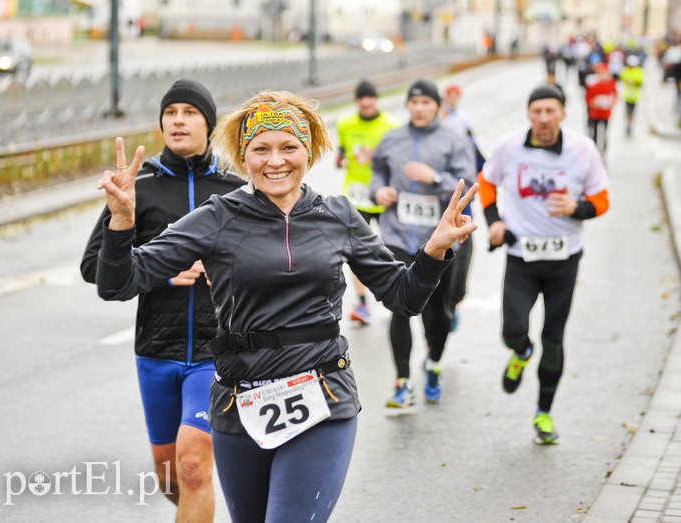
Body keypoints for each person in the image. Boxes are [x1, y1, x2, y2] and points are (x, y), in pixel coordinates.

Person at [93, 90, 478, 522]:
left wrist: (433, 252)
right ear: (244, 156)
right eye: (261, 149)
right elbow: (119, 282)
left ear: (308, 152)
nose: (275, 161)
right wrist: (122, 222)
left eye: (288, 147)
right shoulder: (217, 216)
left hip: (322, 394)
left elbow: (403, 297)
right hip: (240, 402)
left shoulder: (340, 217)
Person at [80, 79, 246, 521]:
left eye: (190, 112)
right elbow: (94, 267)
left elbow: (267, 260)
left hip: (218, 352)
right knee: (171, 476)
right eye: (170, 112)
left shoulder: (235, 189)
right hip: (156, 349)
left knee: (193, 463)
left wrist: (226, 268)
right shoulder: (142, 185)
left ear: (209, 124)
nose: (178, 120)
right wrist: (160, 272)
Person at [478, 84, 610, 445]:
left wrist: (577, 208)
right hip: (521, 257)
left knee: (554, 338)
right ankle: (521, 352)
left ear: (563, 114)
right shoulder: (509, 147)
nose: (543, 118)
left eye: (551, 111)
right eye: (537, 111)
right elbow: (486, 182)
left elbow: (602, 199)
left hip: (564, 260)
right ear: (529, 114)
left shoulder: (583, 150)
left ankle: (543, 413)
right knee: (512, 331)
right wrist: (495, 221)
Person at [370, 79, 477, 407]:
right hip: (398, 236)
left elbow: (469, 183)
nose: (419, 109)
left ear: (437, 106)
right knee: (398, 308)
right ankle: (402, 382)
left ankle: (433, 361)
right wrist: (379, 191)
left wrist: (435, 178)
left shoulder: (454, 140)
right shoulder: (391, 139)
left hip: (439, 239)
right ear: (407, 106)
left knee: (437, 311)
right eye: (414, 103)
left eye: (426, 103)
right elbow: (376, 173)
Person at [336, 79, 400, 325]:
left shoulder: (391, 126)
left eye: (370, 97)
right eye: (361, 98)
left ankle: (395, 292)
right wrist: (341, 159)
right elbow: (342, 152)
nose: (365, 102)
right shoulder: (344, 123)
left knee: (391, 249)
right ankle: (362, 304)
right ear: (356, 101)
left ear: (376, 100)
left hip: (384, 197)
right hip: (355, 197)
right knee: (356, 252)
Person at [440, 83, 485, 332]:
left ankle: (454, 301)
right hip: (438, 202)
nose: (453, 99)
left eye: (457, 95)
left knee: (461, 263)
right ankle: (439, 310)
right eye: (450, 95)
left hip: (462, 200)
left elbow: (477, 157)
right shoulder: (435, 120)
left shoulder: (463, 121)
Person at [584, 62, 617, 154]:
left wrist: (611, 102)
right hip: (595, 113)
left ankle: (603, 152)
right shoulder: (593, 84)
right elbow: (588, 98)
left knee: (604, 133)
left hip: (605, 113)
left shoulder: (611, 83)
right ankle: (594, 151)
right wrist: (592, 104)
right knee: (594, 133)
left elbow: (615, 96)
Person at [619, 54, 644, 136]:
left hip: (635, 96)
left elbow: (640, 81)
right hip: (627, 96)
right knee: (627, 111)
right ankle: (627, 125)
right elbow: (622, 78)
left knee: (632, 112)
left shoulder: (639, 70)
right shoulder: (626, 70)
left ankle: (630, 125)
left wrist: (633, 81)